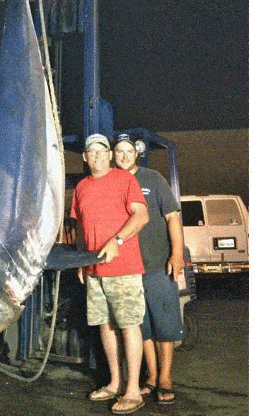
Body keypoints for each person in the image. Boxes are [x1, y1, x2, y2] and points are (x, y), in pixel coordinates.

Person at [70, 133, 150, 415]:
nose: (97, 156)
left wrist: (116, 242)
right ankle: (115, 383)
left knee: (128, 324)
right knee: (105, 325)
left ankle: (132, 390)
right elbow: (80, 228)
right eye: (91, 152)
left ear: (110, 154)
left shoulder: (125, 179)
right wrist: (81, 261)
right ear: (84, 157)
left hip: (124, 267)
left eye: (102, 150)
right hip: (93, 270)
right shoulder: (80, 187)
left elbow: (141, 215)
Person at [113, 133, 185, 405]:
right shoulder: (113, 181)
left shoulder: (153, 178)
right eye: (118, 151)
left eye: (128, 150)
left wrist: (177, 253)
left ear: (137, 153)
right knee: (141, 326)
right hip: (128, 268)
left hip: (157, 263)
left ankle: (166, 378)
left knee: (164, 323)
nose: (123, 155)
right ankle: (152, 377)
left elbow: (171, 218)